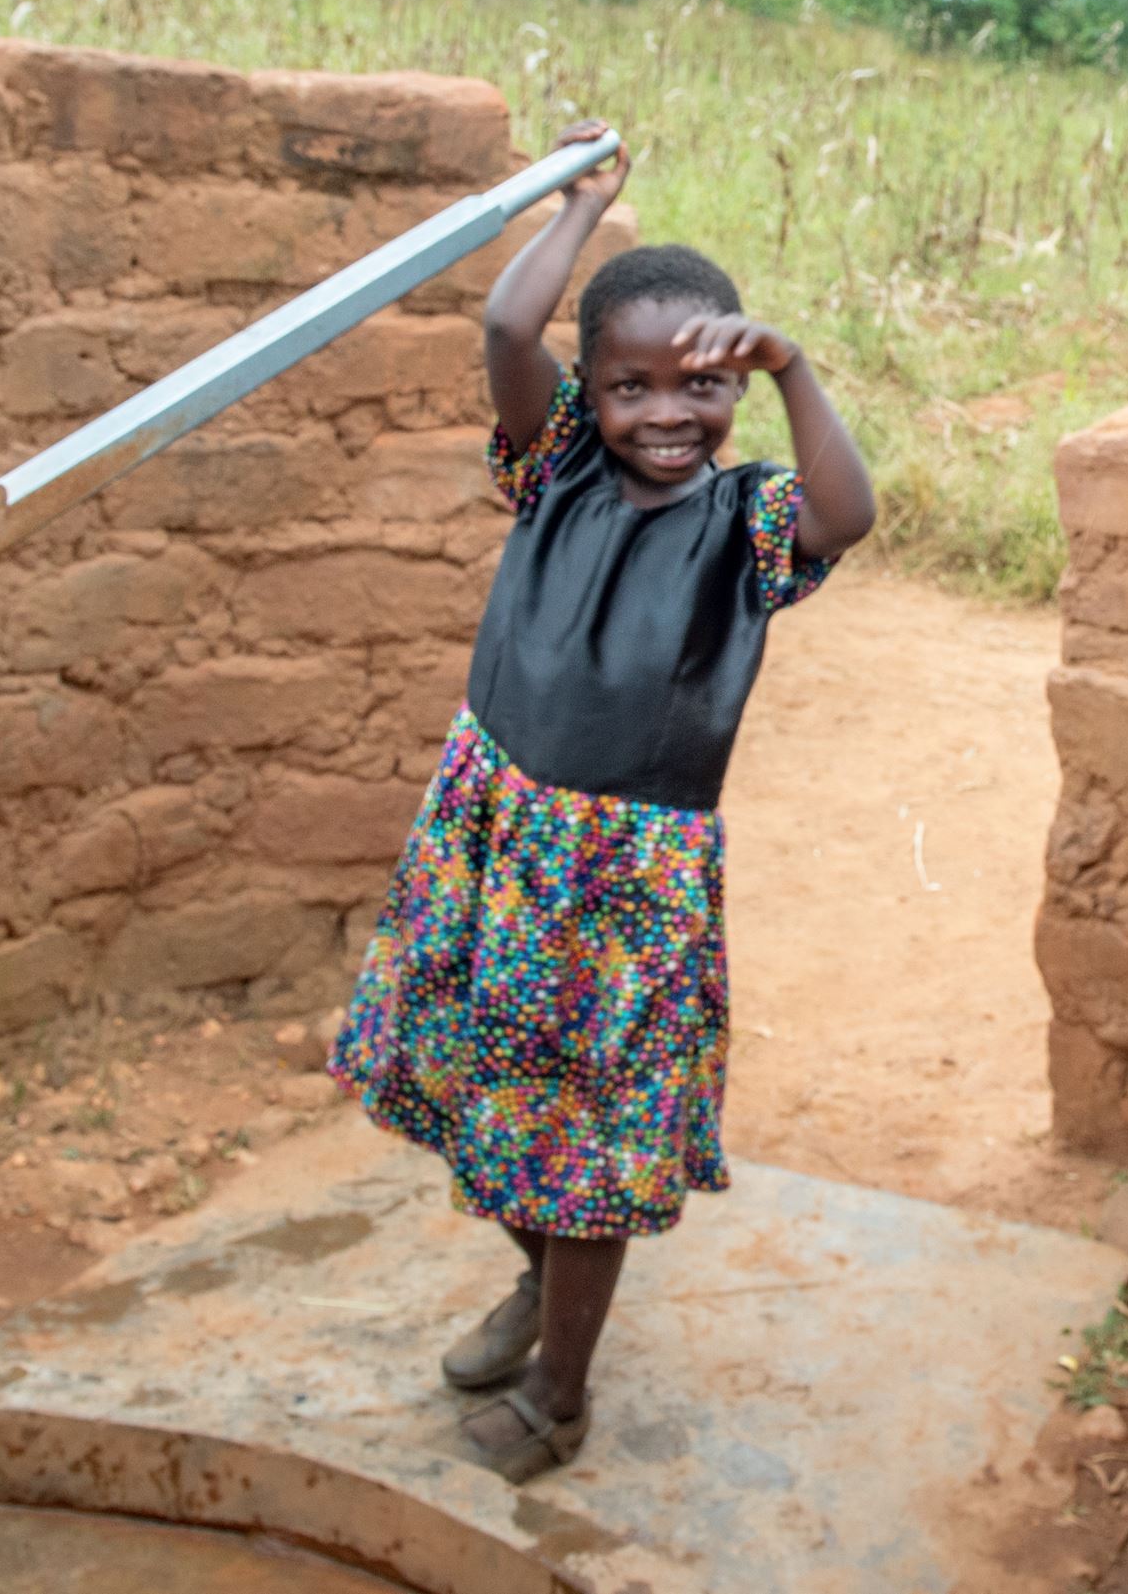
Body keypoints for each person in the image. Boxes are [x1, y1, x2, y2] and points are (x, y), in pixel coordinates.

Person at [327, 120, 877, 1483]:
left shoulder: (747, 520)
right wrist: (581, 205)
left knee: (588, 1142)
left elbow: (847, 512)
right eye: (630, 386)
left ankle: (558, 1390)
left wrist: (795, 364)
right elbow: (512, 325)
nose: (666, 414)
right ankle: (538, 1286)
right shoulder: (554, 466)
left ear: (734, 393)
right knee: (475, 1093)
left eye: (700, 388)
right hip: (496, 834)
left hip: (624, 877)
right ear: (591, 393)